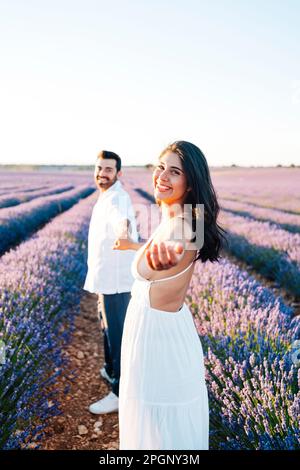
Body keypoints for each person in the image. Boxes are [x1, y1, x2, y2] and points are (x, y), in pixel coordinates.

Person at [114, 141, 227, 450]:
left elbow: (176, 249)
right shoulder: (176, 216)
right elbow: (161, 249)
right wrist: (134, 246)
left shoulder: (185, 225)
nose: (162, 176)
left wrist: (163, 260)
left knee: (160, 430)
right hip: (156, 332)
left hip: (159, 342)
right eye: (160, 167)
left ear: (190, 184)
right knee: (153, 423)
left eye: (174, 171)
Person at [84, 150, 138, 414]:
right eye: (99, 168)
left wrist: (124, 232)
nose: (102, 174)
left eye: (107, 169)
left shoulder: (118, 197)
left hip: (117, 282)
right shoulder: (106, 196)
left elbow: (122, 220)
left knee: (118, 335)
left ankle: (119, 392)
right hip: (105, 277)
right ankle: (110, 369)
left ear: (118, 173)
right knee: (107, 327)